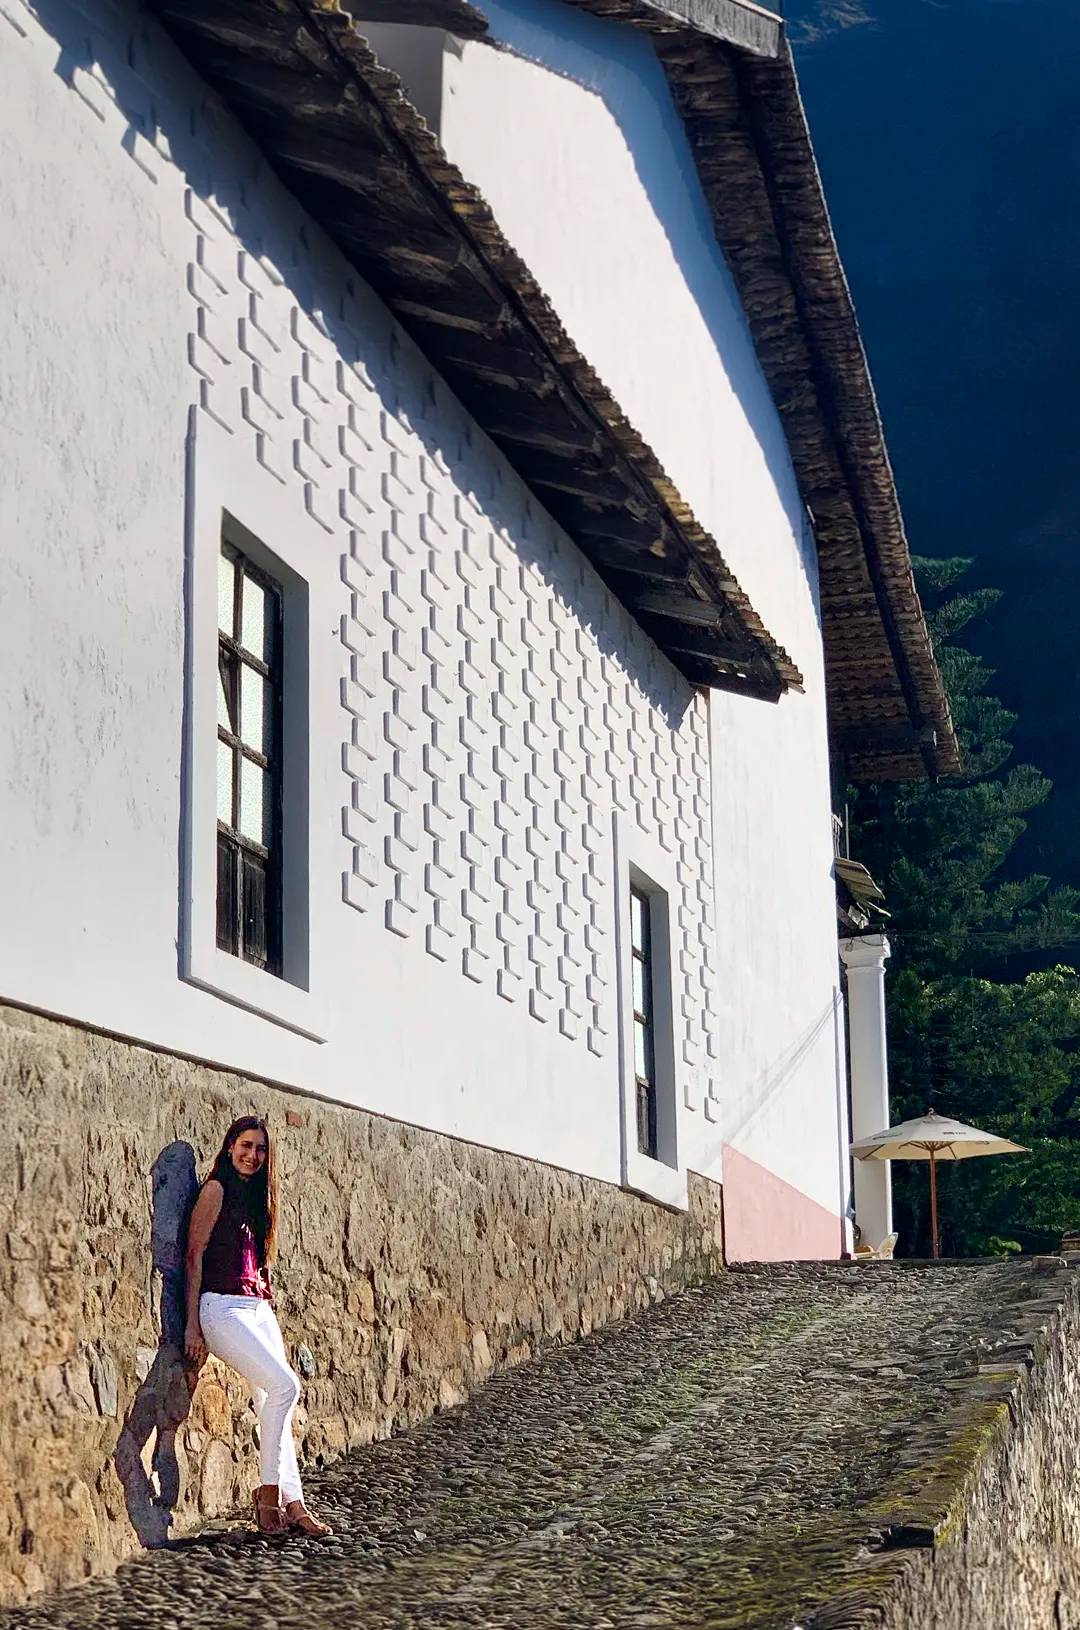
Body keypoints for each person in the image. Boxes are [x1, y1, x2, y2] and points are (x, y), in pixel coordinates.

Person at [184, 1115, 333, 1537]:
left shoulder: (259, 1198)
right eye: (246, 1145)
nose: (252, 1155)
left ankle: (295, 1504)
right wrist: (192, 1326)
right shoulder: (216, 1190)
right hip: (221, 1307)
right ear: (231, 1146)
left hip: (257, 1308)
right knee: (287, 1387)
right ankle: (267, 1494)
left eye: (261, 1149)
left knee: (274, 1402)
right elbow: (193, 1255)